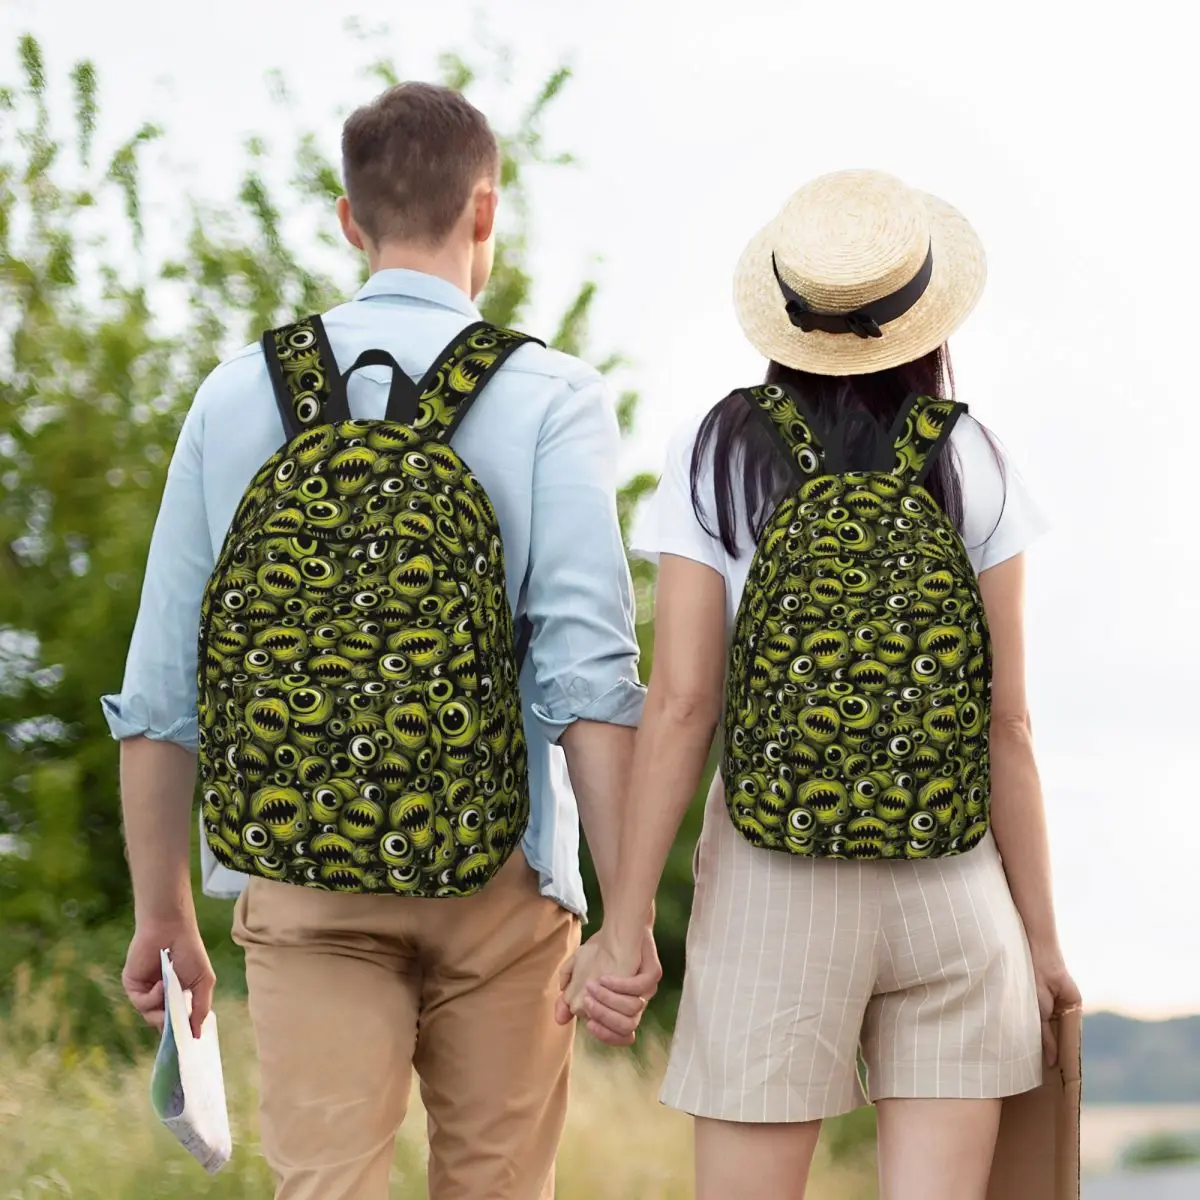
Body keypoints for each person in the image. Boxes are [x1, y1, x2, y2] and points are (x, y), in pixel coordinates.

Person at [105, 81, 660, 1200]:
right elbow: (588, 679)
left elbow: (164, 684)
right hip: (503, 877)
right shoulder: (549, 395)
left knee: (326, 1186)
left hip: (303, 878)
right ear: (485, 213)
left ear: (349, 220)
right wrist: (627, 914)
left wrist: (162, 911)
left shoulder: (234, 396)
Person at [560, 169, 1081, 1200]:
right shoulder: (974, 456)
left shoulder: (718, 451)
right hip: (954, 886)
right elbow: (1008, 724)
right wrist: (1043, 943)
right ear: (925, 317)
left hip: (772, 884)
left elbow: (682, 705)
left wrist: (624, 927)